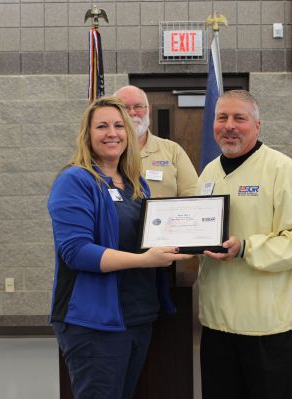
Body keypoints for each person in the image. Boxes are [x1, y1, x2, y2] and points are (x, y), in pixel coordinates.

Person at [47, 96, 192, 399]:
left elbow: (148, 237)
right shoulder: (76, 180)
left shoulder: (135, 184)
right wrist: (145, 260)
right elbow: (77, 252)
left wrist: (192, 241)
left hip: (138, 314)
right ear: (87, 135)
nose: (111, 133)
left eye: (118, 126)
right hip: (94, 321)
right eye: (101, 126)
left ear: (129, 133)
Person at [196, 90, 292, 399]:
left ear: (257, 125)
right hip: (216, 322)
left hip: (267, 326)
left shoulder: (287, 173)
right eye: (222, 117)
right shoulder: (209, 173)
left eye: (240, 118)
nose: (229, 126)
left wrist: (246, 248)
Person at [113, 85, 198, 197]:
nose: (132, 112)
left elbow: (194, 196)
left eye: (138, 106)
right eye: (125, 107)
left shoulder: (173, 151)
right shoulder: (106, 152)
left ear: (149, 110)